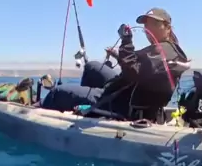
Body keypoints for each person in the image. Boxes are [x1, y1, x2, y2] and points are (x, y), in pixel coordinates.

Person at [43, 7, 190, 121]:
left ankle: (93, 106)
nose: (148, 29)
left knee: (57, 93)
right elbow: (140, 67)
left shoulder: (162, 52)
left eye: (154, 24)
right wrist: (118, 55)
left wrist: (126, 41)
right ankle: (87, 111)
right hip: (126, 88)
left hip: (122, 102)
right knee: (92, 67)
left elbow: (133, 72)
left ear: (168, 27)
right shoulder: (167, 50)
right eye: (146, 25)